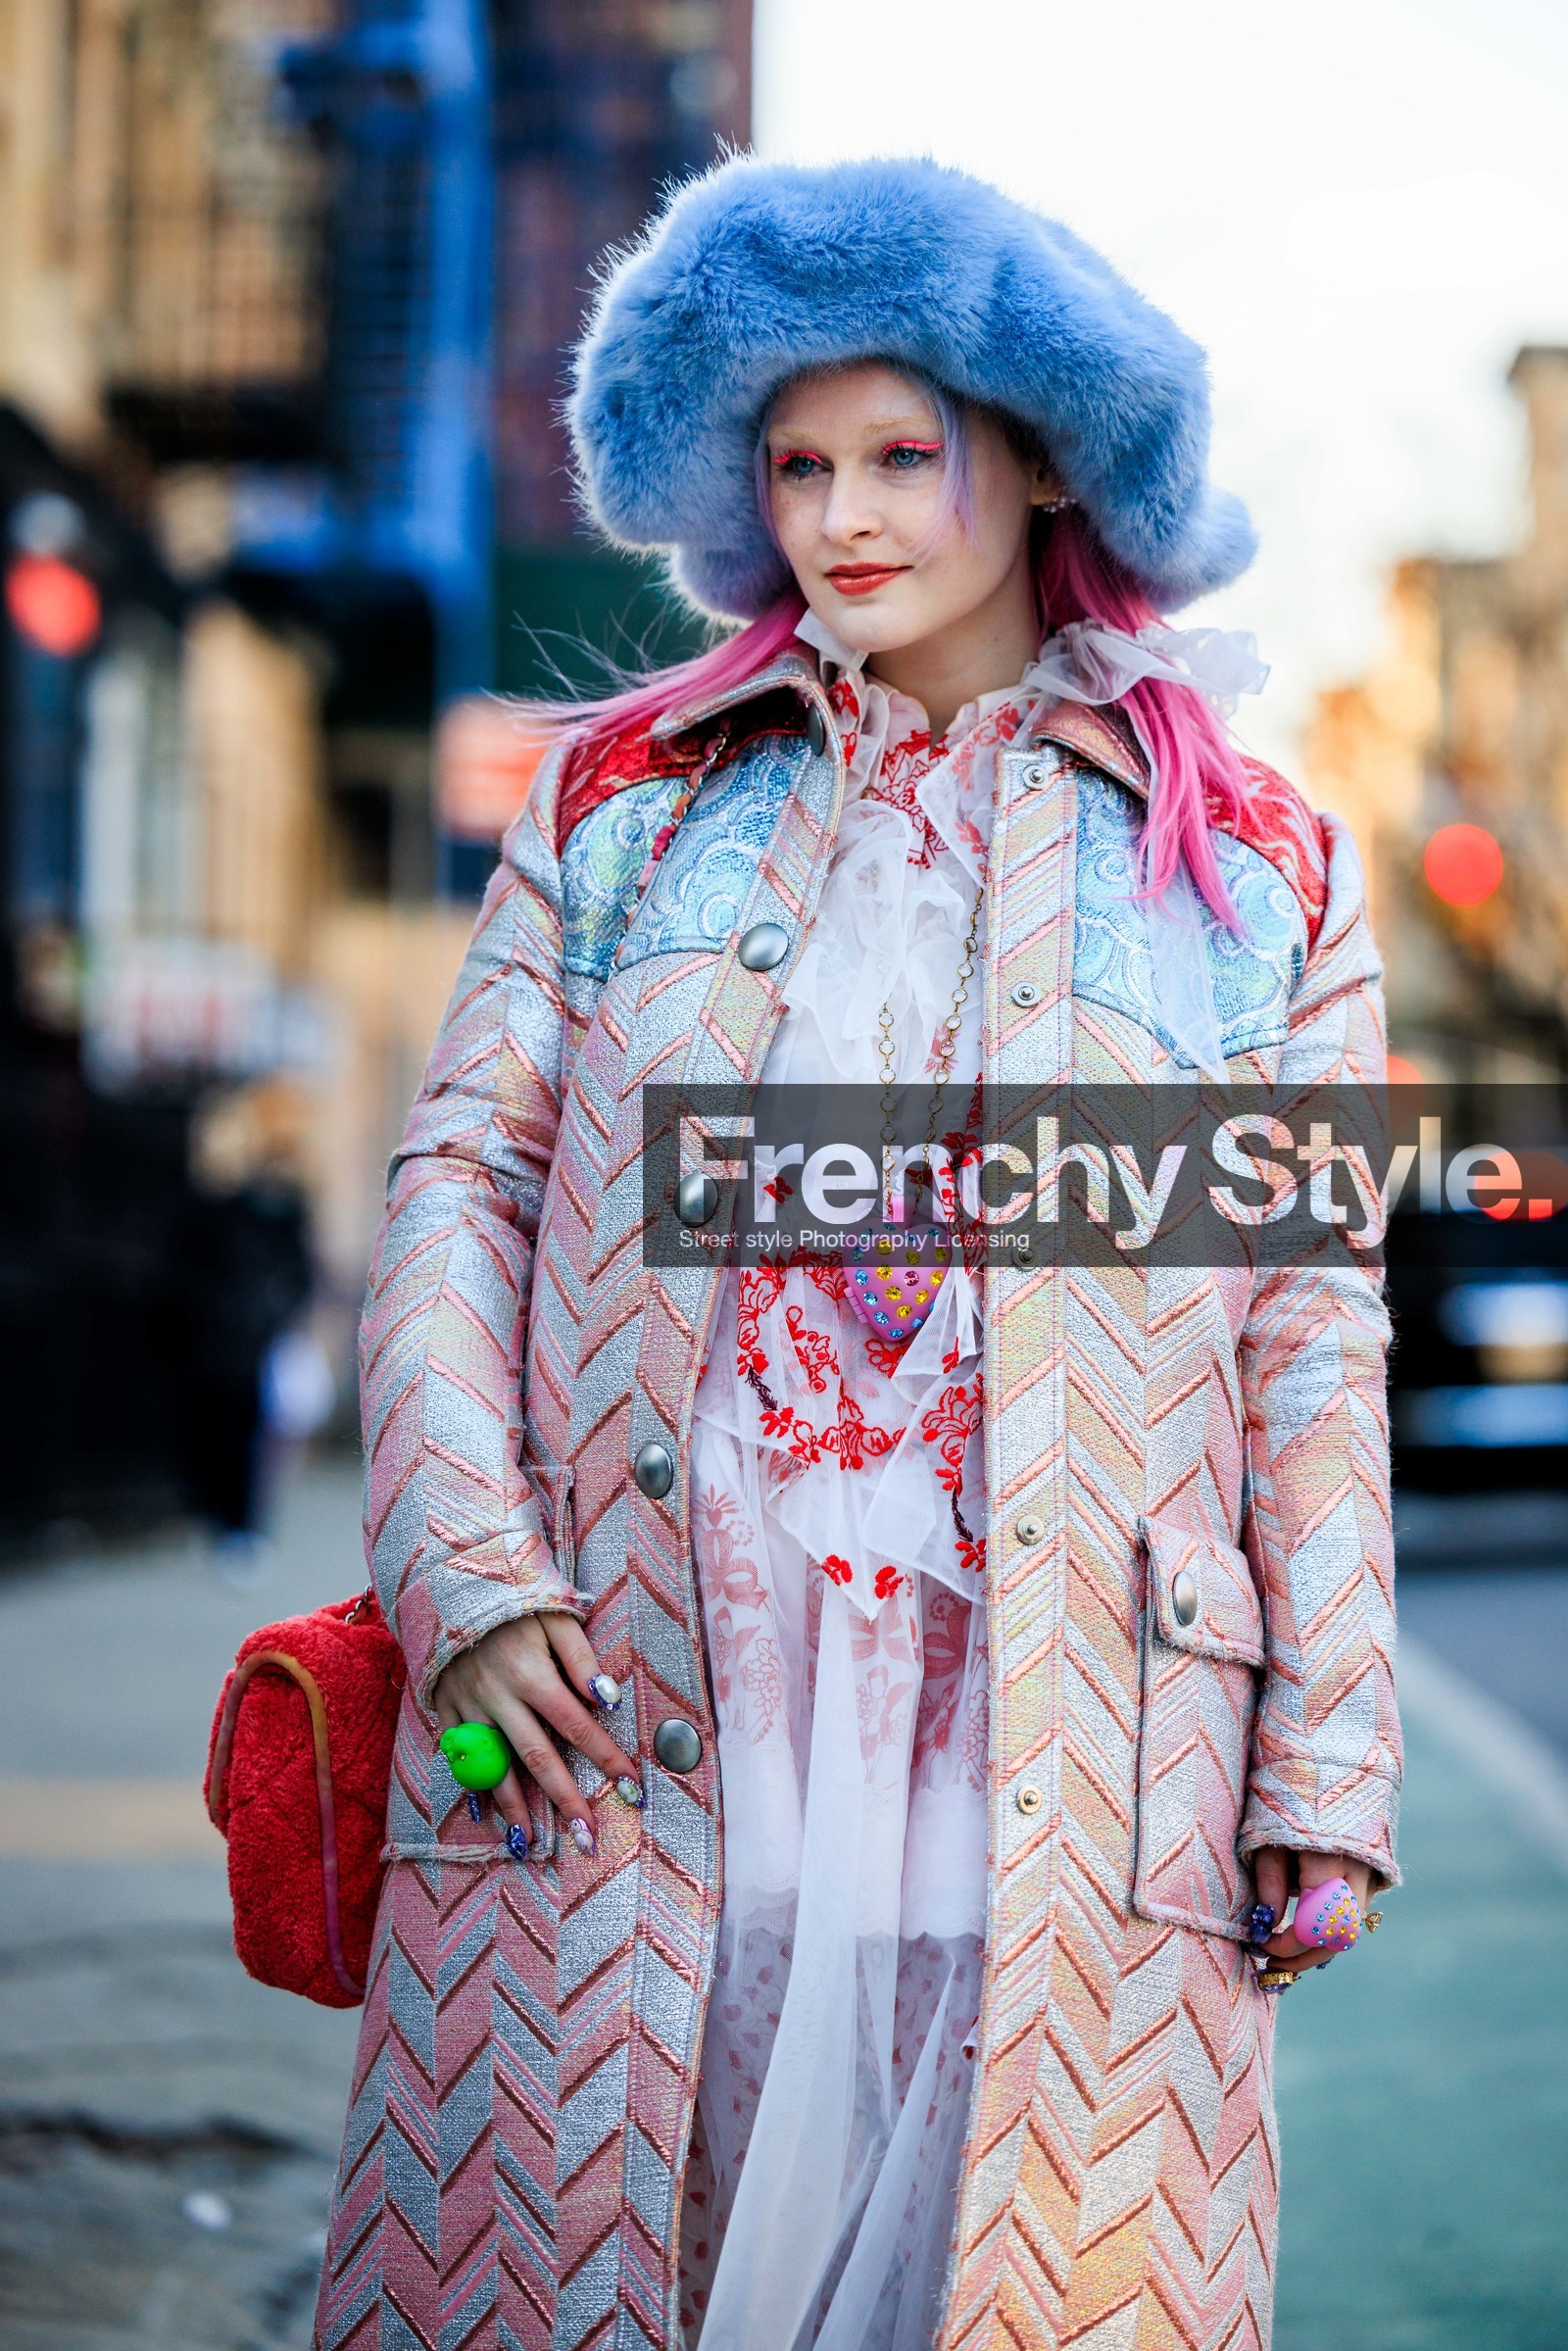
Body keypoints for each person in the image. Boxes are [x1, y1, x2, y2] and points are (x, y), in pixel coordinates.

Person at [316, 157, 1401, 2351]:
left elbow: (1304, 1325)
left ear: (1028, 459)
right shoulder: (620, 800)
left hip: (1069, 1711)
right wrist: (467, 1570)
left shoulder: (1253, 862)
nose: (843, 516)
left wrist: (1328, 1757)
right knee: (615, 2234)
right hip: (645, 1677)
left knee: (1009, 2263)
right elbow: (462, 1188)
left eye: (902, 453)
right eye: (794, 464)